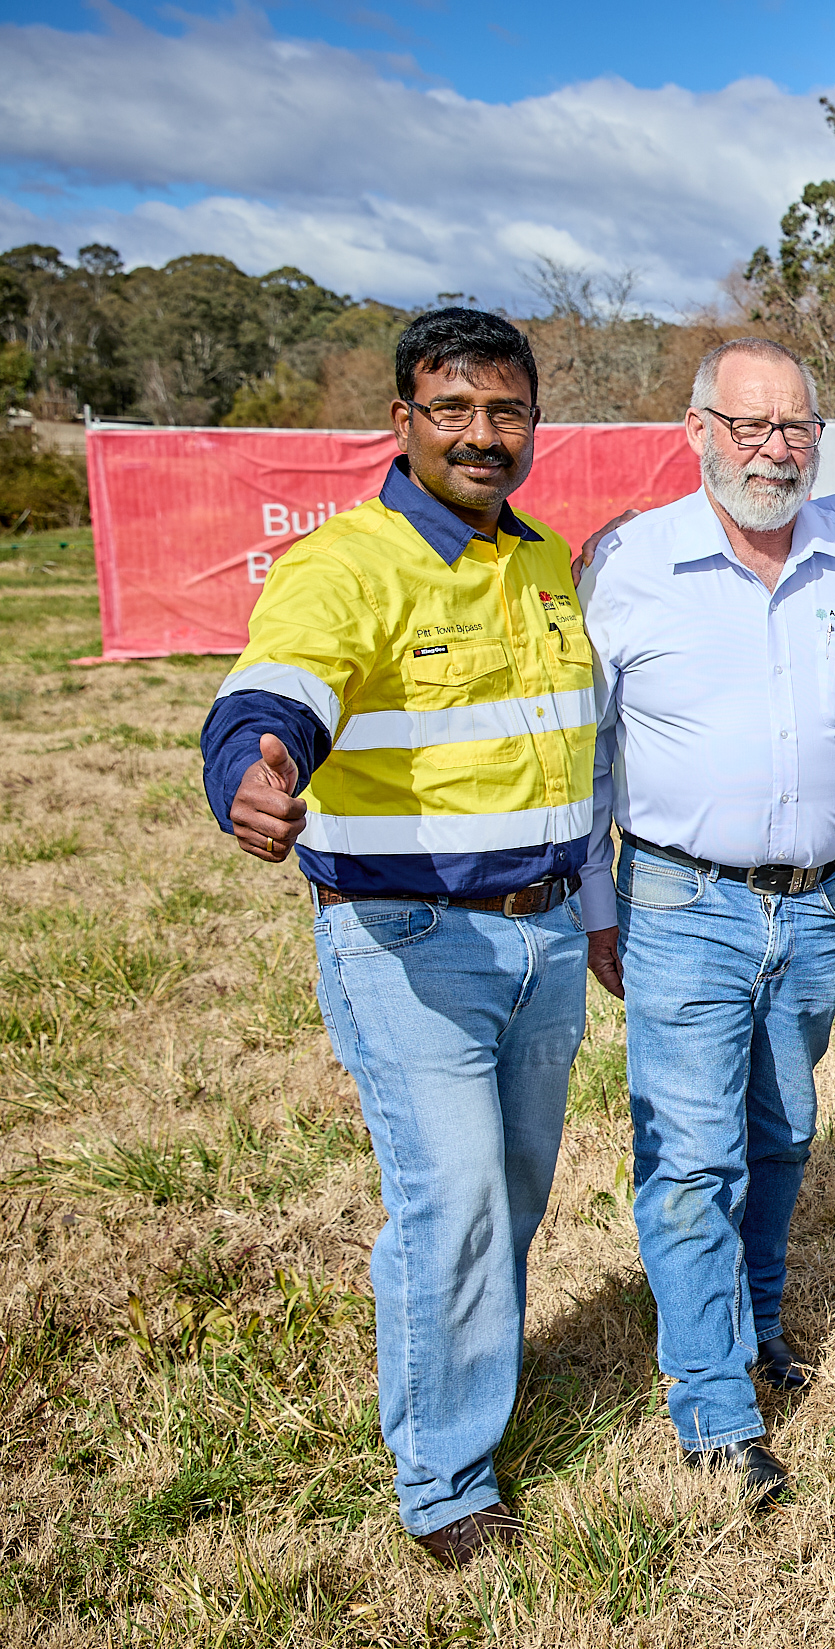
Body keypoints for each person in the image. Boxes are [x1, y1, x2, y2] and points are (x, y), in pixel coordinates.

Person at [198, 308, 592, 1565]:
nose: (483, 435)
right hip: (409, 940)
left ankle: (467, 1377)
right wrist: (247, 766)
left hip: (545, 936)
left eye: (506, 410)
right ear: (404, 421)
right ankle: (444, 1479)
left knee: (510, 1193)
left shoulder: (543, 560)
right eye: (454, 410)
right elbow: (278, 690)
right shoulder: (346, 563)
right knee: (455, 1196)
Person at [578, 338, 835, 1504]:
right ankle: (714, 1406)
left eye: (796, 429)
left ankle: (760, 1323)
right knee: (694, 1156)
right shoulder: (629, 564)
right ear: (697, 429)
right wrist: (592, 898)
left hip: (817, 903)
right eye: (749, 426)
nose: (774, 449)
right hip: (681, 899)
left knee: (780, 1130)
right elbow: (589, 748)